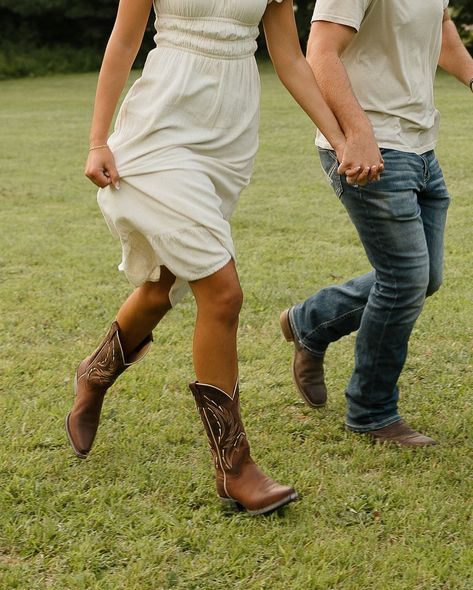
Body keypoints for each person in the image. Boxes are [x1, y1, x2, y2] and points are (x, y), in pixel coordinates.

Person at [65, 0, 378, 515]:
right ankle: (234, 466)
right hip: (160, 125)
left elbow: (291, 59)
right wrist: (98, 139)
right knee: (222, 292)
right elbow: (123, 42)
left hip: (227, 133)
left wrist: (342, 135)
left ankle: (95, 374)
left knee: (162, 285)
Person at [280, 0, 473, 447]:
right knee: (405, 280)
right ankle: (371, 410)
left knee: (424, 278)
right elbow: (321, 51)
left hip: (420, 146)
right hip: (369, 147)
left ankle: (310, 321)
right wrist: (359, 132)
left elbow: (441, 25)